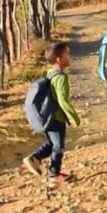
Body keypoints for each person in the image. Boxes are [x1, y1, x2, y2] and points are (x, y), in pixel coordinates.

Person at [21, 42, 80, 184]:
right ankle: (54, 173)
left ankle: (35, 158)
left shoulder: (50, 73)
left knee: (53, 143)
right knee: (58, 146)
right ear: (59, 59)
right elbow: (63, 100)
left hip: (48, 116)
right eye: (67, 54)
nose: (70, 57)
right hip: (56, 118)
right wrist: (74, 117)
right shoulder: (60, 77)